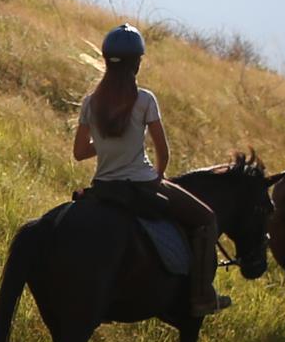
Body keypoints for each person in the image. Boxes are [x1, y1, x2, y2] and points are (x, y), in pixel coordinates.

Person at [75, 24, 228, 314]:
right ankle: (202, 295)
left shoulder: (90, 102)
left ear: (107, 60)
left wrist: (109, 145)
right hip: (142, 184)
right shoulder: (145, 99)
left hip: (104, 187)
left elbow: (80, 152)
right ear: (137, 63)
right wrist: (157, 178)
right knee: (207, 218)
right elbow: (163, 152)